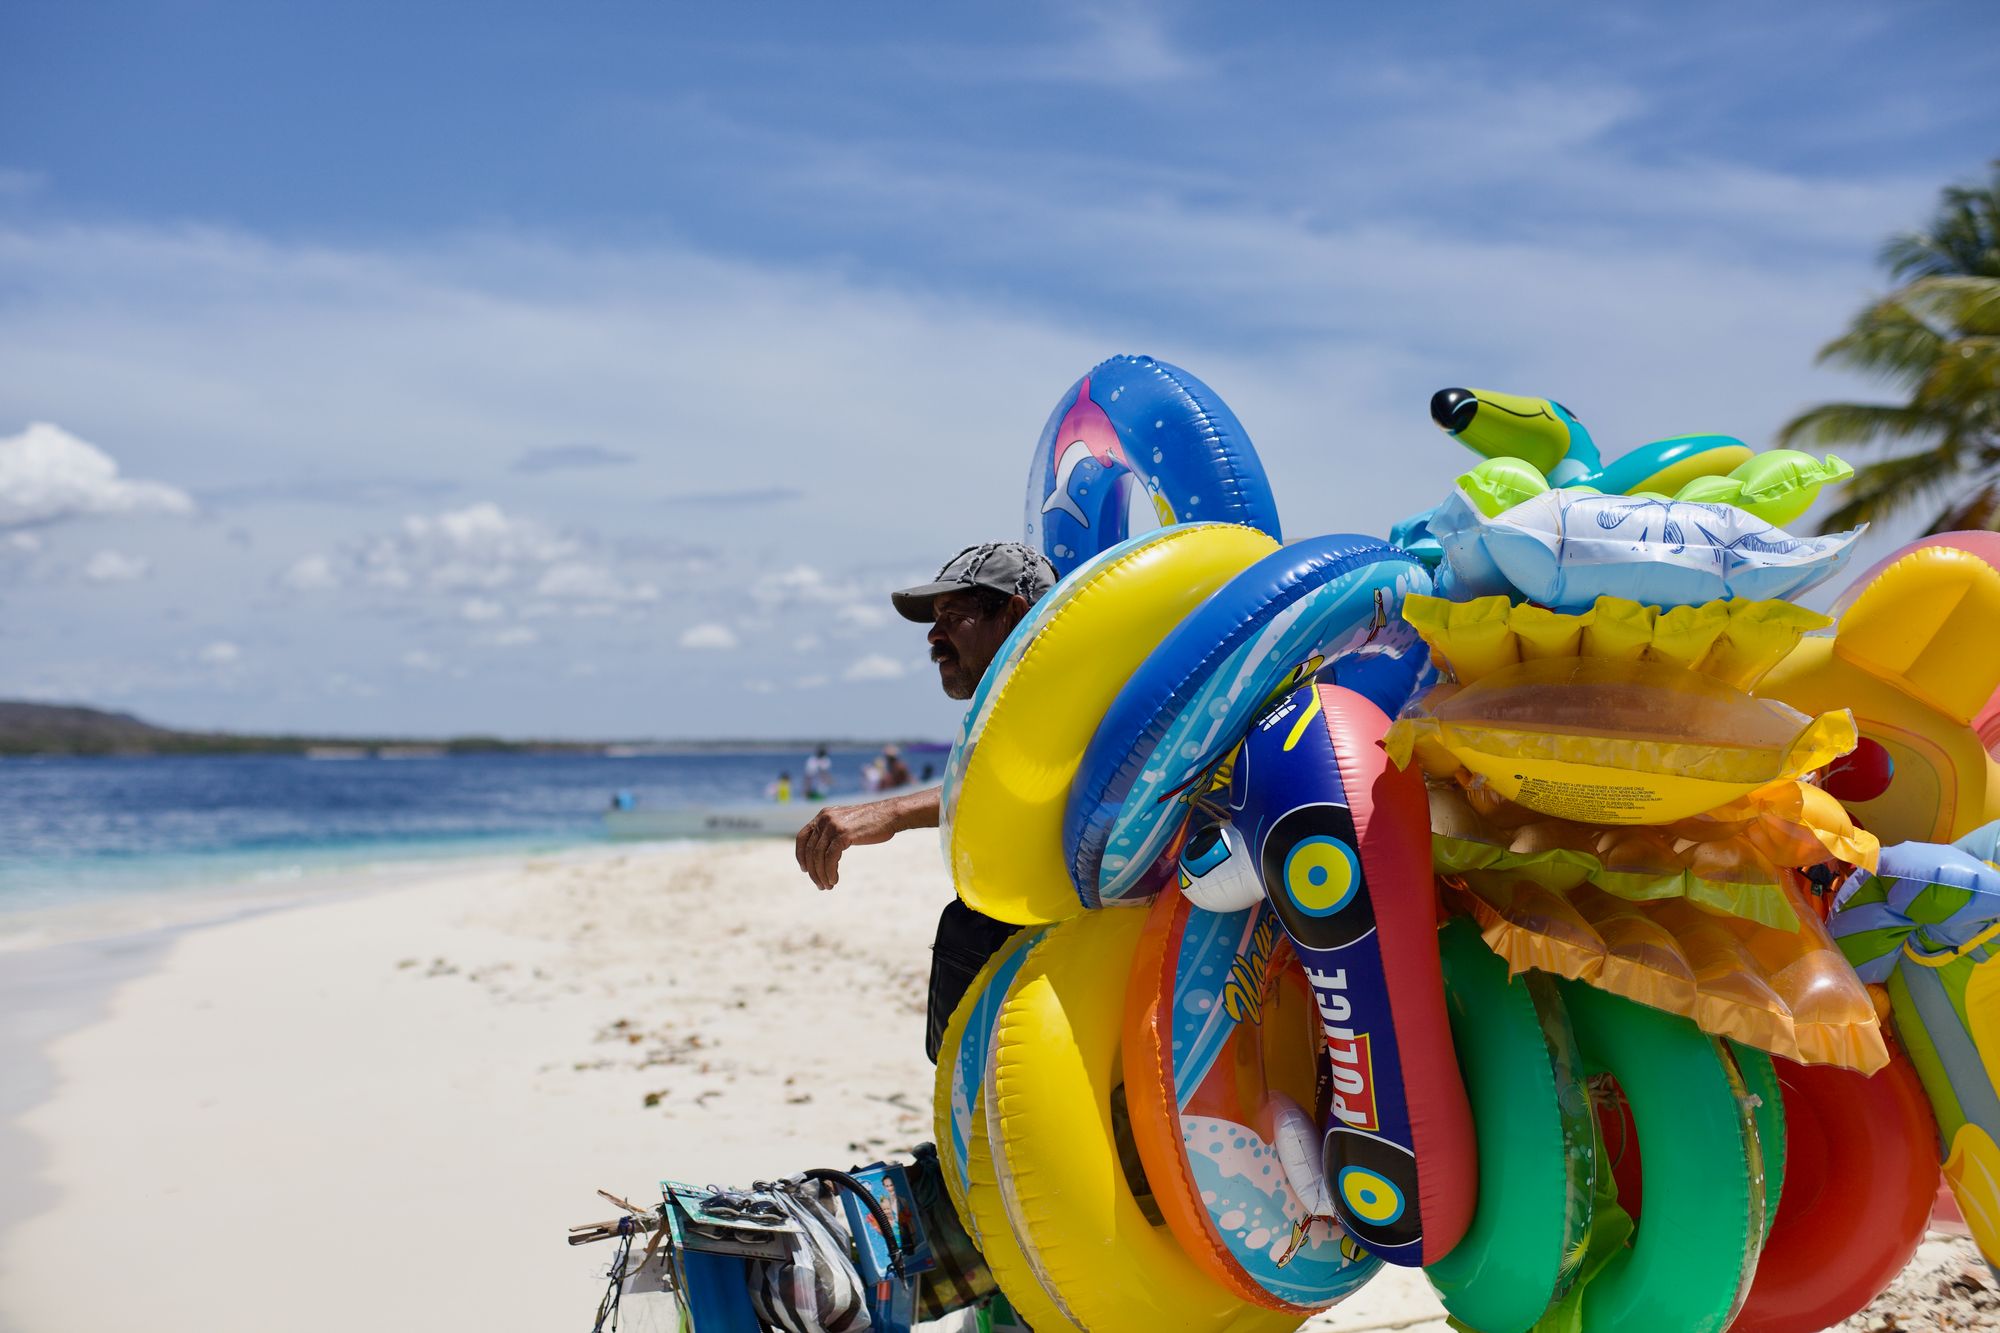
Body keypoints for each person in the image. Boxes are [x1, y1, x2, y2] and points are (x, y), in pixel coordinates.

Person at [794, 541, 1056, 1061]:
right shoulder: (1003, 705)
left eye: (953, 617)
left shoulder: (1064, 695)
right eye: (935, 620)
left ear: (1013, 614)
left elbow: (1031, 782)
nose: (934, 636)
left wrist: (891, 812)